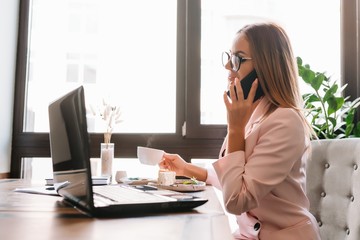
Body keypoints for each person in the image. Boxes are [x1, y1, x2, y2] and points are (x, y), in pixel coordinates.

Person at [159, 22, 321, 240]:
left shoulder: (285, 122)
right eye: (228, 57)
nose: (228, 66)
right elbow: (237, 178)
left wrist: (234, 129)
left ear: (265, 67)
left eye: (237, 59)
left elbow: (236, 200)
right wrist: (188, 169)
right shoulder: (254, 114)